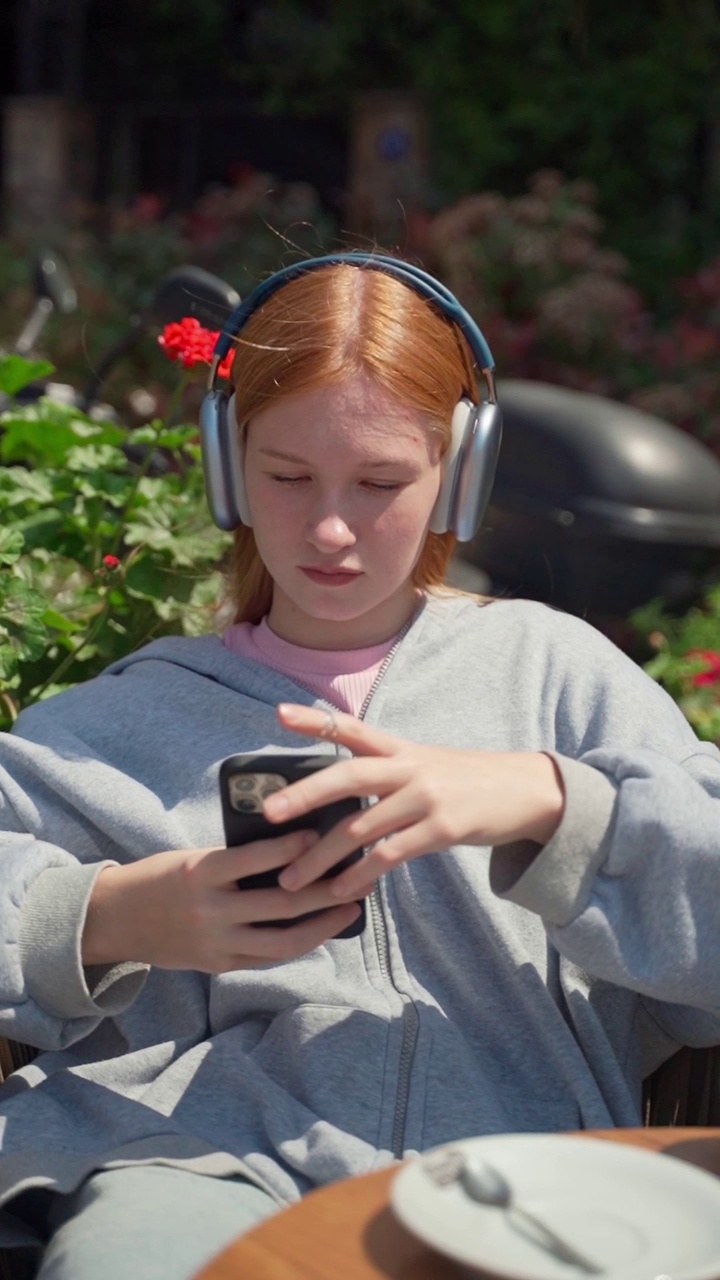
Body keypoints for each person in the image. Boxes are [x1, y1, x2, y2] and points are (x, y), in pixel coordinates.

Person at [0, 252, 719, 1280]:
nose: (330, 528)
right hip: (188, 1166)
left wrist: (556, 803)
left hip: (525, 1174)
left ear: (459, 471)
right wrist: (111, 915)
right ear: (224, 461)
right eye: (287, 475)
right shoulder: (121, 717)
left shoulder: (553, 672)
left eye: (381, 481)